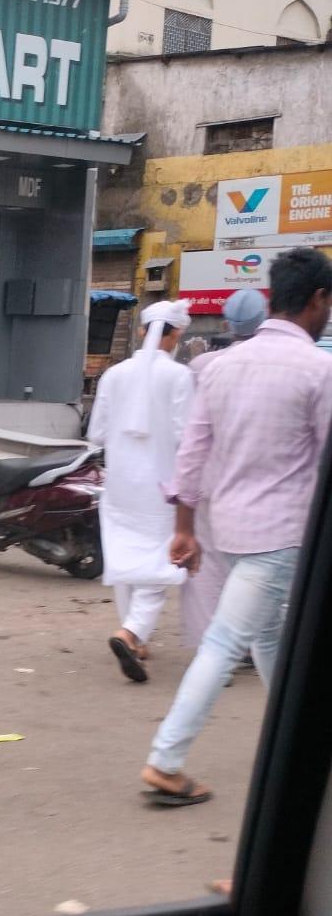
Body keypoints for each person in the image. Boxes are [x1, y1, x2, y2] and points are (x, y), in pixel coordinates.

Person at [139, 247, 332, 807]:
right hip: (283, 533)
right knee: (226, 641)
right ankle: (166, 760)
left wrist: (184, 529)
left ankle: (293, 746)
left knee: (269, 637)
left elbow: (192, 454)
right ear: (318, 299)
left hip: (227, 527)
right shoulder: (320, 370)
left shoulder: (218, 366)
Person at [88, 299, 194, 683]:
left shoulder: (114, 375)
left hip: (119, 484)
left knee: (125, 558)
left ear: (139, 331)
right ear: (177, 333)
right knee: (158, 565)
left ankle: (136, 636)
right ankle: (130, 632)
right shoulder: (179, 377)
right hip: (162, 486)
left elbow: (96, 433)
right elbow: (187, 437)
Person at [180, 288, 268, 650]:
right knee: (252, 565)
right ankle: (248, 642)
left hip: (208, 478)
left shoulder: (202, 367)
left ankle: (211, 647)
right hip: (259, 478)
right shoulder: (280, 363)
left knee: (206, 568)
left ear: (227, 323)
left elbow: (190, 430)